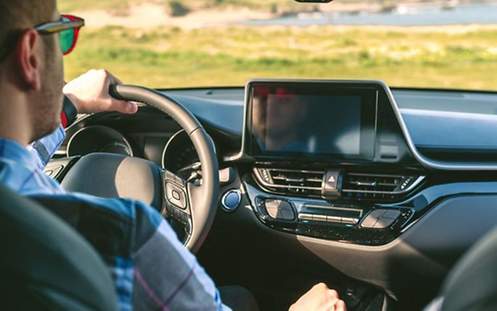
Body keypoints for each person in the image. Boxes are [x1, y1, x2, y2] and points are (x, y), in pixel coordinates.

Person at [0, 1, 347, 310]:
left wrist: (69, 104)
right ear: (30, 55)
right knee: (241, 297)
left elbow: (17, 156)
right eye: (63, 37)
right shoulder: (123, 237)